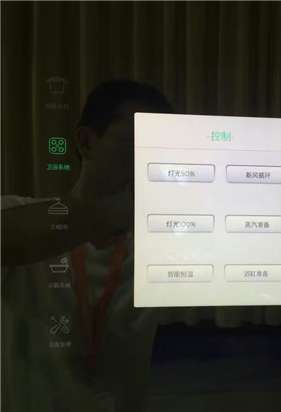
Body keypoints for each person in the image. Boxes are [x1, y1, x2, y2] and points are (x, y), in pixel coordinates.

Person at [2, 80, 172, 412]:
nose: (150, 164)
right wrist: (103, 216)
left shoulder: (156, 242)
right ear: (86, 142)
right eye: (136, 145)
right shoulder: (19, 214)